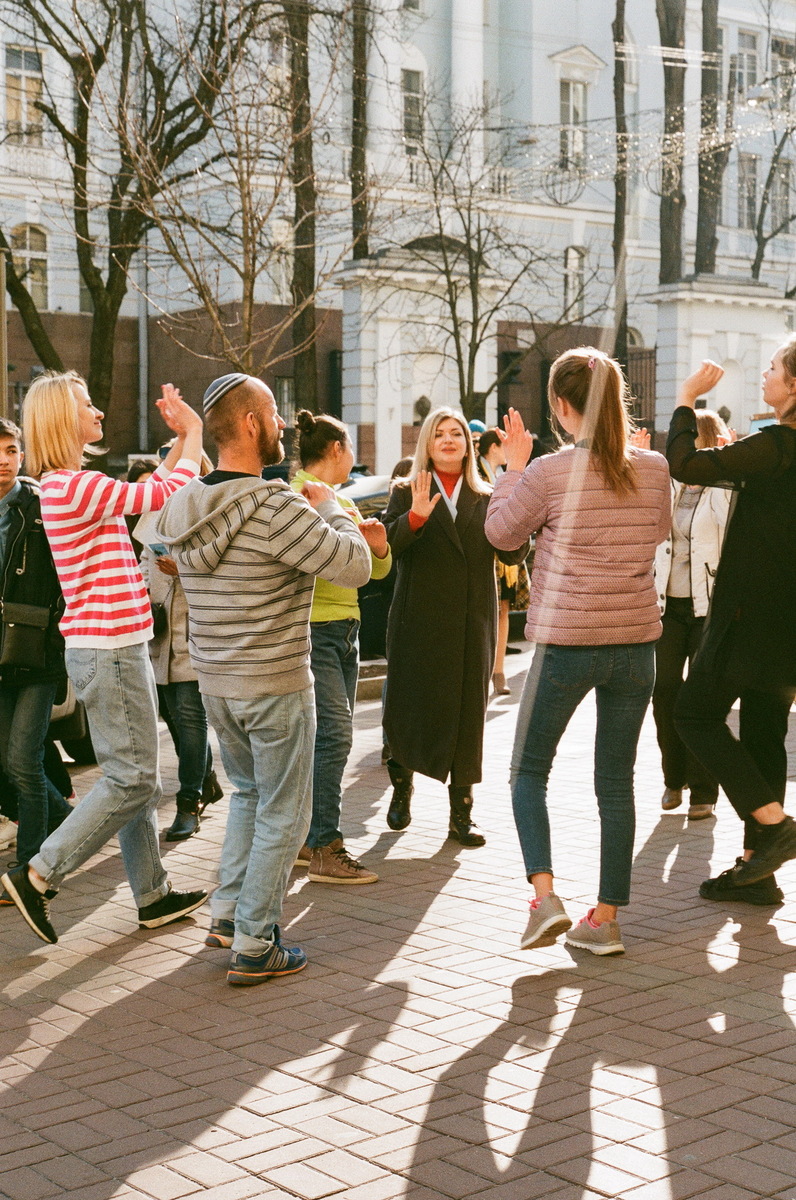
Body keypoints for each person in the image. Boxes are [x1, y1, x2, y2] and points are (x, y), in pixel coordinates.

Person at [156, 373, 371, 986]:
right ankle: (254, 940)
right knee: (286, 811)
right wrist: (335, 510)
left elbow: (157, 553)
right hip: (275, 680)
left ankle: (227, 914)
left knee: (250, 797)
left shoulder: (185, 504)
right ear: (250, 424)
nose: (283, 426)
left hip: (216, 680)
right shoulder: (279, 506)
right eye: (274, 414)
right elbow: (353, 566)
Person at [1, 372, 208, 945]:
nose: (98, 412)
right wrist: (191, 432)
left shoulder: (72, 487)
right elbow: (163, 495)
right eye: (86, 405)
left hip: (117, 646)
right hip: (110, 650)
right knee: (133, 776)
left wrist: (180, 451)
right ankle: (39, 872)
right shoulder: (72, 487)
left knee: (133, 773)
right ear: (61, 421)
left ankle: (153, 894)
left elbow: (153, 499)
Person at [486, 348, 670, 955]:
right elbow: (658, 531)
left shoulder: (547, 472)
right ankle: (606, 920)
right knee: (616, 783)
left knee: (526, 771)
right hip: (635, 644)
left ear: (562, 408)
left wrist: (512, 469)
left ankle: (545, 900)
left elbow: (501, 534)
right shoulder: (656, 468)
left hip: (566, 644)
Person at [668, 349, 796, 905]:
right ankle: (755, 872)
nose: (765, 376)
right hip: (786, 620)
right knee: (765, 730)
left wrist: (684, 401)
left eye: (773, 370)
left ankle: (774, 825)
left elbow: (684, 465)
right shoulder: (773, 448)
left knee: (693, 714)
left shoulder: (777, 444)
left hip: (749, 615)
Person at [381, 407, 528, 847]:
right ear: (427, 443)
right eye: (439, 434)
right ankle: (402, 786)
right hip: (417, 620)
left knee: (468, 716)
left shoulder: (487, 496)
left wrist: (517, 501)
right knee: (408, 709)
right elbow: (387, 548)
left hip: (470, 620)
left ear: (468, 445)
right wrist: (416, 519)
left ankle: (461, 815)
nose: (448, 441)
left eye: (457, 435)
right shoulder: (406, 490)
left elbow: (513, 556)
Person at [290, 410, 390, 885]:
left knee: (328, 737)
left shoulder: (337, 500)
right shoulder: (302, 495)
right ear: (336, 449)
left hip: (344, 629)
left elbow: (373, 573)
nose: (354, 457)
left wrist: (380, 547)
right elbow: (326, 561)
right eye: (351, 448)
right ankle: (325, 845)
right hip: (316, 630)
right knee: (334, 736)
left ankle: (310, 840)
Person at [0, 418, 72, 892]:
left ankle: (28, 868)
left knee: (24, 759)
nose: (3, 460)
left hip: (38, 651)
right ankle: (70, 823)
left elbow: (67, 574)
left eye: (11, 450)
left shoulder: (41, 506)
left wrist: (57, 630)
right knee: (8, 762)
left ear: (22, 456)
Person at [138, 451, 223, 843]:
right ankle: (206, 780)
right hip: (159, 637)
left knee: (190, 721)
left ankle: (189, 802)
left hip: (194, 636)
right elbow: (142, 566)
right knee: (174, 720)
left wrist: (182, 567)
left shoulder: (213, 517)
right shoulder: (156, 517)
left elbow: (225, 577)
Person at [653, 410, 732, 822]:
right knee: (663, 690)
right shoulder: (668, 487)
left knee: (700, 698)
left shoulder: (726, 489)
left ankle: (704, 790)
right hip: (667, 608)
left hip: (707, 609)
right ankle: (673, 777)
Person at [477, 429, 530, 695]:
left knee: (504, 610)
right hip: (488, 556)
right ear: (494, 448)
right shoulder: (477, 473)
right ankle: (486, 670)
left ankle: (499, 671)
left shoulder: (503, 475)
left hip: (505, 559)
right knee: (489, 612)